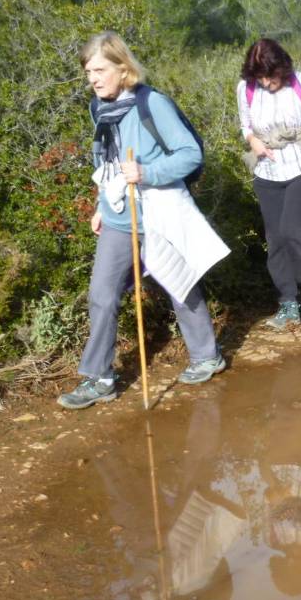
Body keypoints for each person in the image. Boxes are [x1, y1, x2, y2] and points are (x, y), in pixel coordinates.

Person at [59, 32, 227, 410]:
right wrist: (103, 205)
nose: (94, 79)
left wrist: (146, 172)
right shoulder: (97, 108)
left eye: (100, 70)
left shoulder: (153, 104)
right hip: (120, 215)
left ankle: (207, 356)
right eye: (88, 72)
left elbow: (189, 154)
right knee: (101, 296)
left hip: (159, 209)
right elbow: (104, 162)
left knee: (178, 283)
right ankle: (100, 378)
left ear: (123, 67)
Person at [237, 38, 301, 330]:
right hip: (268, 172)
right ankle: (287, 304)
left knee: (293, 229)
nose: (267, 82)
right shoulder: (246, 89)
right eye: (260, 77)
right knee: (276, 240)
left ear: (283, 67)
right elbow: (245, 124)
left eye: (271, 76)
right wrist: (253, 140)